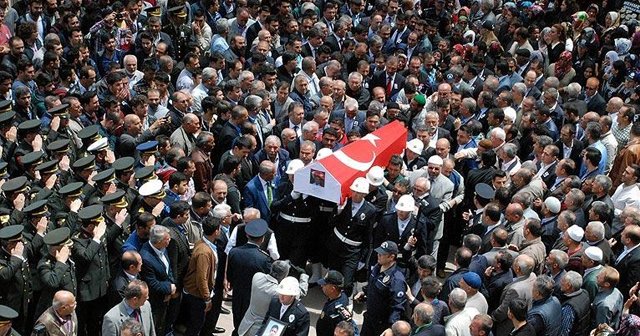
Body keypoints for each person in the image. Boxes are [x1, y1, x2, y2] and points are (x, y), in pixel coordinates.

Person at [227, 219, 273, 332]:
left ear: (247, 235)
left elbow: (230, 276)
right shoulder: (264, 259)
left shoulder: (234, 252)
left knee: (237, 323)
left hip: (238, 295)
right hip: (255, 298)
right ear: (262, 239)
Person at [355, 241, 406, 336]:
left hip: (382, 325)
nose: (378, 255)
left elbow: (397, 307)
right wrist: (364, 293)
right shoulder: (377, 267)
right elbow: (372, 285)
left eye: (382, 254)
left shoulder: (396, 280)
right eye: (378, 253)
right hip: (370, 318)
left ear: (391, 257)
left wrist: (391, 328)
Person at [316, 271, 354, 336]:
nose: (322, 286)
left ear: (332, 289)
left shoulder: (337, 310)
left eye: (325, 284)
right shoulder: (341, 296)